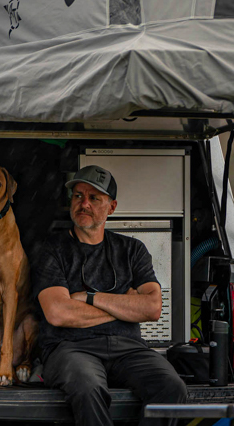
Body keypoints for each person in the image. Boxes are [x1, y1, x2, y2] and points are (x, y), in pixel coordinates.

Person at [35, 165, 188, 426]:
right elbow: (58, 313)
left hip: (129, 350)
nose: (84, 204)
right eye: (78, 196)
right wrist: (124, 304)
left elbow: (152, 308)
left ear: (112, 207)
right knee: (87, 388)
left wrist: (89, 298)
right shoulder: (53, 250)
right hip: (70, 349)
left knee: (172, 387)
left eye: (94, 198)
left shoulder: (132, 250)